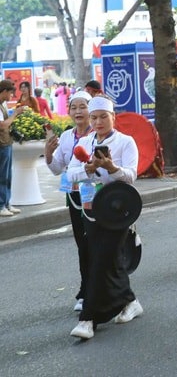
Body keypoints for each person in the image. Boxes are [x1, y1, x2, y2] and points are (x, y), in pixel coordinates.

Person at [66, 96, 142, 339]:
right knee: (106, 259)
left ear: (113, 118)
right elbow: (70, 175)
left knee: (100, 260)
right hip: (90, 207)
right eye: (94, 117)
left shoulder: (125, 142)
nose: (98, 122)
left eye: (103, 117)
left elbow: (131, 176)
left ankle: (88, 319)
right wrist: (86, 169)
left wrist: (111, 168)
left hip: (118, 210)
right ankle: (129, 301)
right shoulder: (85, 142)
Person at [44, 91, 94, 311]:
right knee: (82, 244)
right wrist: (48, 153)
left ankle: (101, 290)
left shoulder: (98, 135)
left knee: (96, 243)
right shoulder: (66, 137)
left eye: (82, 106)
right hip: (73, 196)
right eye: (74, 107)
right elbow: (57, 169)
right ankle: (85, 291)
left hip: (95, 194)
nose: (77, 111)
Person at [0, 79, 29, 217]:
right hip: (1, 145)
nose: (12, 96)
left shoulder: (3, 105)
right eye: (11, 93)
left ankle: (6, 203)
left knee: (7, 176)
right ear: (4, 91)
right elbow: (3, 125)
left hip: (6, 143)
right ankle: (1, 205)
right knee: (2, 176)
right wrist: (15, 113)